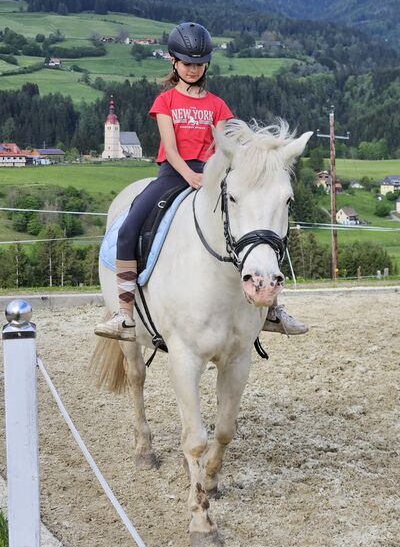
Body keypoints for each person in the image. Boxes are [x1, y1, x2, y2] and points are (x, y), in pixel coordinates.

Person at [94, 22, 307, 342]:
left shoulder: (217, 105)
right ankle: (124, 313)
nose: (193, 69)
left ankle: (272, 309)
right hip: (173, 172)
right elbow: (170, 145)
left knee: (257, 227)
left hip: (212, 175)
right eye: (187, 63)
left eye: (198, 63)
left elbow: (230, 147)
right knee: (129, 227)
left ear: (206, 63)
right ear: (174, 62)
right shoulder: (165, 102)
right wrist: (189, 174)